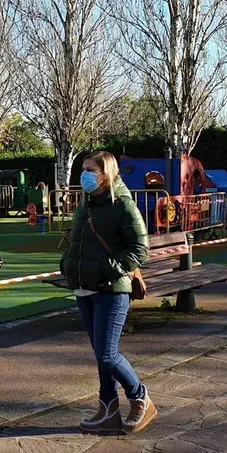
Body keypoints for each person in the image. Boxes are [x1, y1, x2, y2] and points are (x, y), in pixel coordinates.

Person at [59, 151, 156, 434]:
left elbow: (140, 248)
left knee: (106, 354)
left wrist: (108, 269)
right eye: (83, 169)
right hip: (84, 287)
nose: (84, 175)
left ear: (106, 174)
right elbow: (77, 242)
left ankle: (140, 397)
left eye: (90, 170)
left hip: (111, 289)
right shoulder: (86, 203)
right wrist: (67, 264)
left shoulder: (122, 204)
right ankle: (108, 408)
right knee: (101, 354)